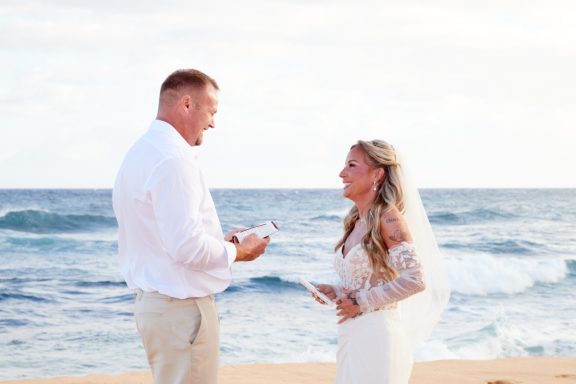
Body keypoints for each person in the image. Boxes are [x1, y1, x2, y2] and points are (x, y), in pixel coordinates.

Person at [112, 69, 270, 384]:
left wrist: (220, 242)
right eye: (211, 112)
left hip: (158, 308)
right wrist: (239, 252)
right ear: (187, 104)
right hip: (181, 311)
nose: (212, 123)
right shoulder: (174, 159)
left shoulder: (140, 152)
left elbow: (165, 236)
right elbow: (186, 247)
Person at [315, 140, 449, 384]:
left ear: (377, 174)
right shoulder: (355, 222)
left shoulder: (389, 219)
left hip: (378, 338)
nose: (341, 173)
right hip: (351, 336)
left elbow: (415, 280)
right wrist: (336, 292)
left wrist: (361, 302)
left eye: (351, 165)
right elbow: (369, 281)